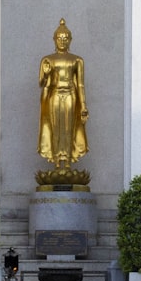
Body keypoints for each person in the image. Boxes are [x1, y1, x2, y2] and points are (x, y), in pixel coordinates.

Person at [38, 18, 88, 169]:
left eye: (65, 38)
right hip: (54, 95)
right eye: (59, 38)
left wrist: (84, 106)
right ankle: (56, 162)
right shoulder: (48, 59)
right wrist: (46, 74)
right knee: (55, 127)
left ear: (70, 40)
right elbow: (41, 83)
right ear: (54, 39)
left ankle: (67, 163)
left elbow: (80, 84)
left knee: (68, 128)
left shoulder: (77, 60)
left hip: (70, 95)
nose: (62, 41)